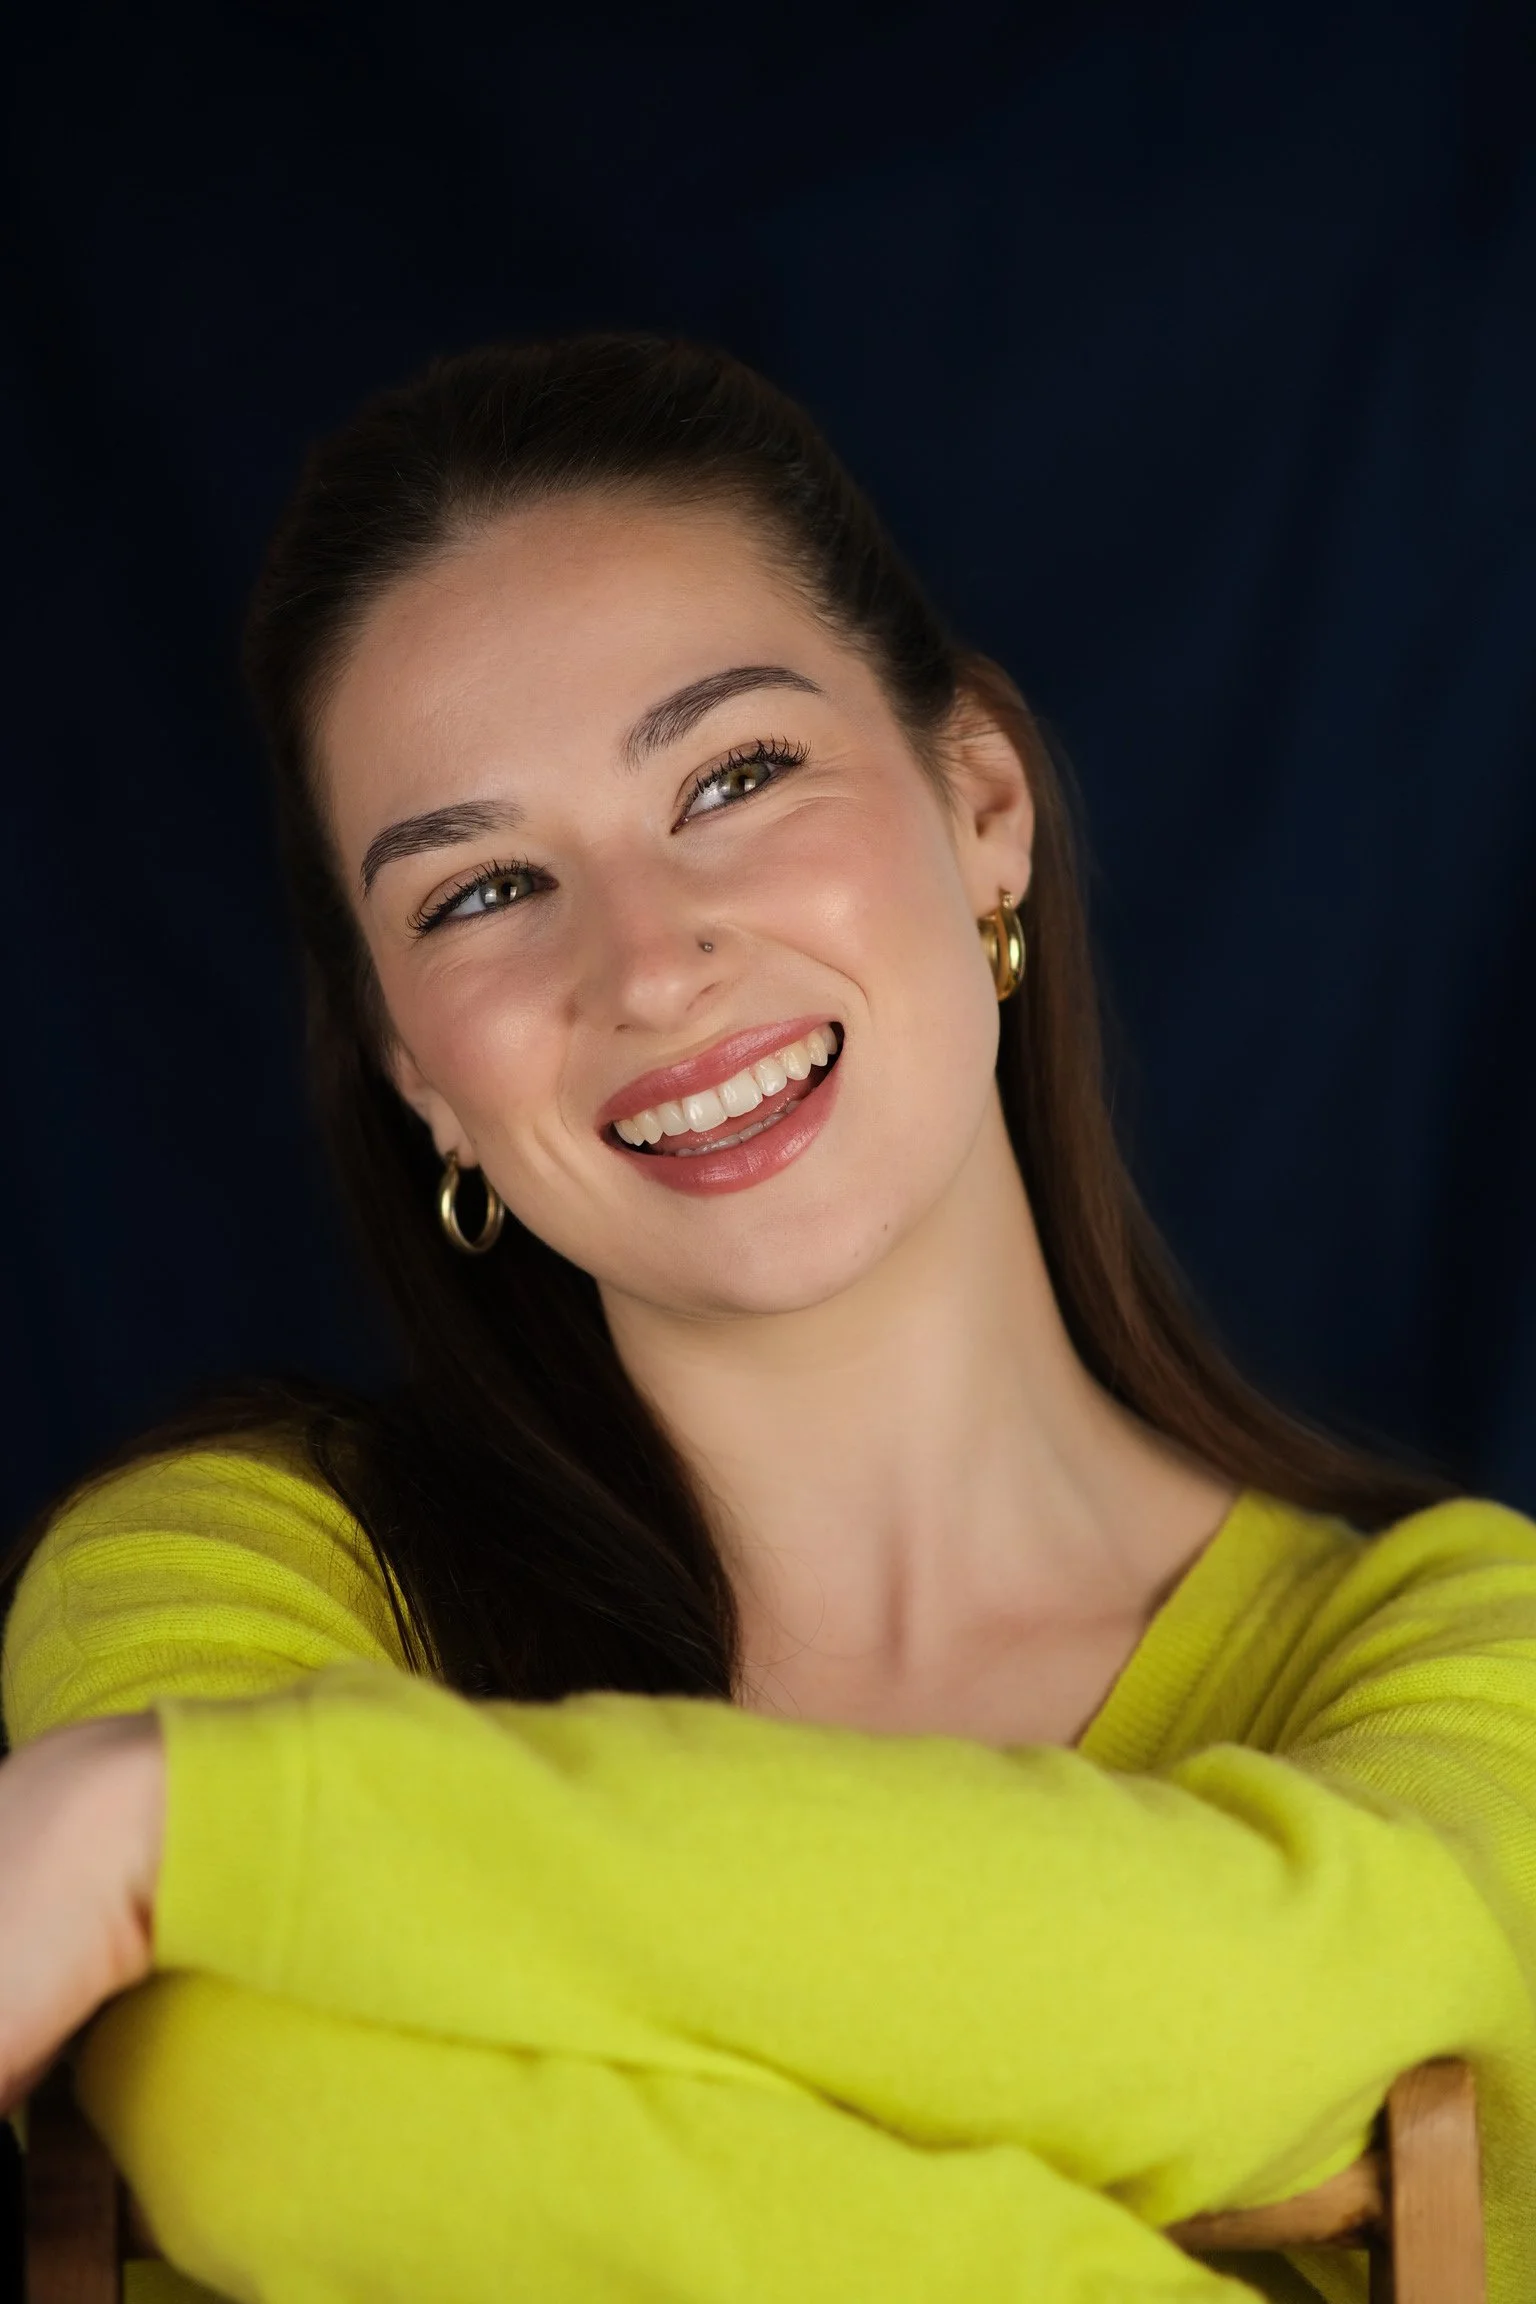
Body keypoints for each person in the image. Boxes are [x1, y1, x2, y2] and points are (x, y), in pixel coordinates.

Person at [2, 336, 1534, 2304]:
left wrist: (202, 1819)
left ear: (982, 805)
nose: (649, 965)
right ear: (417, 1076)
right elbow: (266, 2122)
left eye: (732, 777)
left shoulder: (1465, 1643)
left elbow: (1275, 1995)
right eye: (480, 890)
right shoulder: (232, 1579)